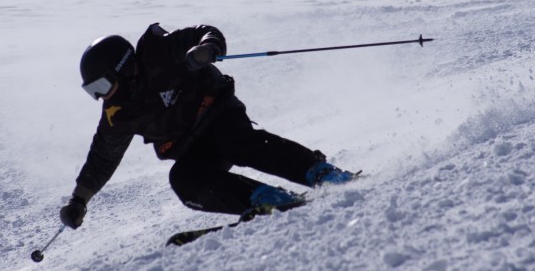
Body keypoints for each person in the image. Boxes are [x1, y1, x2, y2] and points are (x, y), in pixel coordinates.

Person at [59, 23, 357, 229]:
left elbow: (203, 32)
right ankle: (264, 199)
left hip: (218, 114)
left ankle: (319, 172)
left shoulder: (157, 51)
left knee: (237, 142)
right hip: (192, 147)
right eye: (93, 91)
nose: (100, 96)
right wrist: (79, 201)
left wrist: (206, 48)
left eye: (101, 85)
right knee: (184, 179)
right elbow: (102, 158)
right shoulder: (117, 114)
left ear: (122, 68)